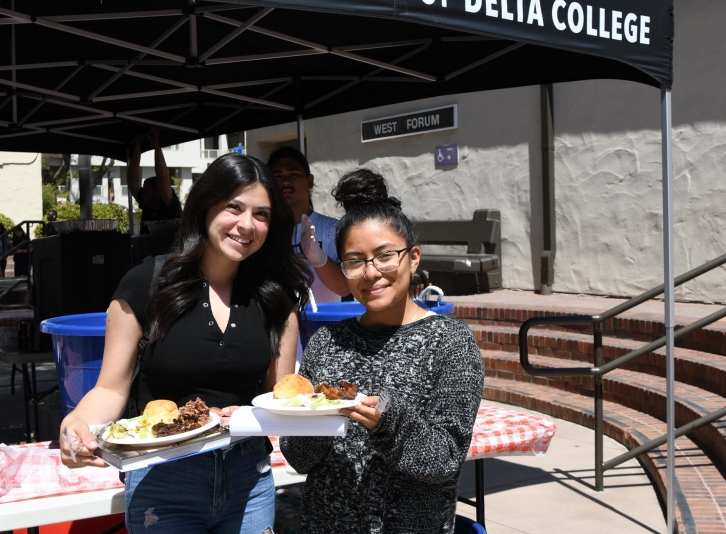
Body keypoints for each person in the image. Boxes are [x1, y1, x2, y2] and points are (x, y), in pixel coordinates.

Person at [59, 153, 312, 534]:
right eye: (234, 207)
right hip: (163, 480)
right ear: (205, 205)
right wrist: (77, 422)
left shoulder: (277, 298)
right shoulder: (146, 283)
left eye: (261, 214)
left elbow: (278, 397)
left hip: (249, 480)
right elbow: (111, 387)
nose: (247, 224)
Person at [280, 169, 484, 533]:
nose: (371, 272)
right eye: (355, 261)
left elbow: (445, 460)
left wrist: (386, 419)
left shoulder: (449, 341)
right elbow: (299, 458)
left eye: (385, 255)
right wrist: (315, 420)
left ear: (413, 258)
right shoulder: (327, 342)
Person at [127, 129, 182, 234]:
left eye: (146, 190)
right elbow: (132, 182)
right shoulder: (147, 204)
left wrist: (157, 147)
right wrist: (137, 152)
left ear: (157, 191)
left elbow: (162, 176)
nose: (142, 193)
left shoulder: (169, 203)